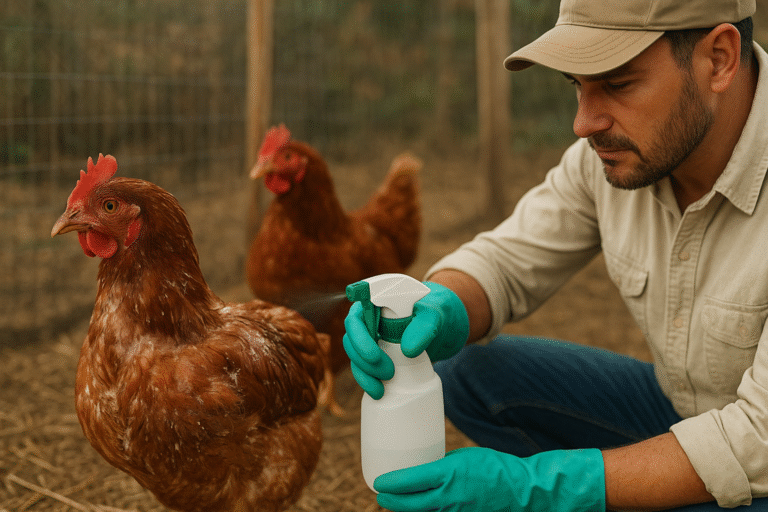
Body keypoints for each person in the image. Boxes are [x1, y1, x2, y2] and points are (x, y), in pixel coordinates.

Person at [343, 0, 768, 510]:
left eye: (617, 83)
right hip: (683, 410)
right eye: (577, 85)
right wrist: (441, 307)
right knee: (467, 369)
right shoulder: (625, 153)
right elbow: (504, 262)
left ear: (719, 58)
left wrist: (542, 488)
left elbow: (757, 440)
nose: (583, 123)